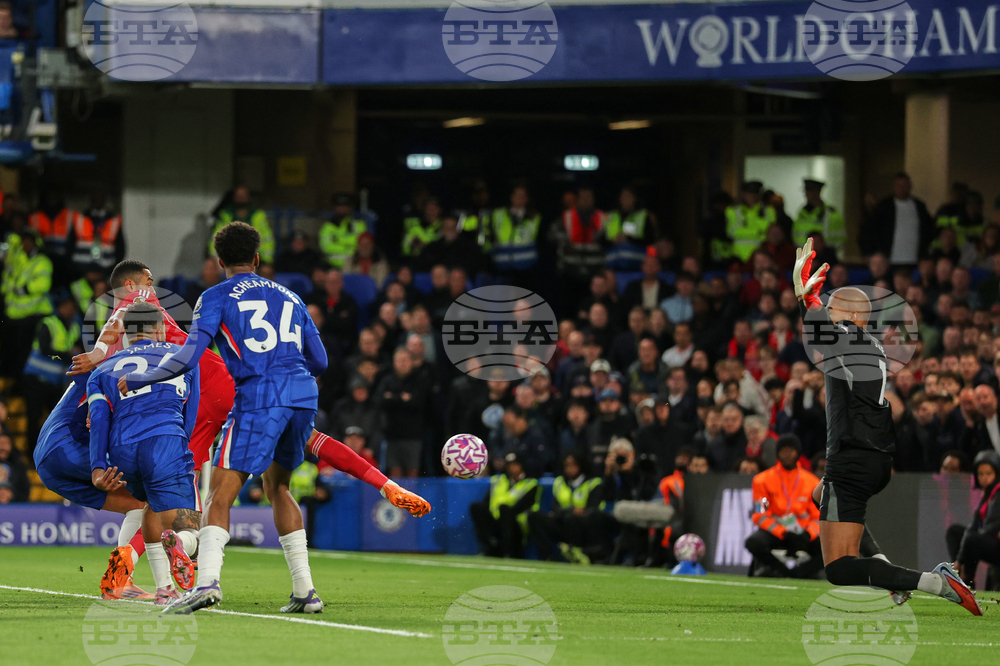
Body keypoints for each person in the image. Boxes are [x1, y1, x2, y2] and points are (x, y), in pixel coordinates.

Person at [118, 222, 329, 615]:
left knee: (219, 494)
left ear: (219, 261)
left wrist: (144, 376)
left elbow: (189, 356)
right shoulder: (292, 296)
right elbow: (320, 360)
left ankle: (207, 584)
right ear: (257, 258)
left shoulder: (215, 296)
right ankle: (305, 591)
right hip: (303, 395)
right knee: (279, 487)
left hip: (259, 396)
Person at [793, 237, 982, 615]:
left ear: (848, 313)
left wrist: (805, 298)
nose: (826, 308)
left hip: (851, 458)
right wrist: (808, 303)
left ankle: (936, 581)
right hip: (871, 456)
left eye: (831, 304)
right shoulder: (868, 345)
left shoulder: (848, 336)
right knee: (819, 494)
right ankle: (884, 569)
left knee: (838, 569)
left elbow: (821, 332)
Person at [88, 303, 202, 604]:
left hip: (122, 450)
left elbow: (99, 420)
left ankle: (165, 589)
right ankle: (179, 543)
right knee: (192, 527)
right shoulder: (184, 358)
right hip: (165, 440)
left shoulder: (101, 371)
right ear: (159, 328)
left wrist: (98, 467)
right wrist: (177, 451)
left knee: (149, 506)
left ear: (125, 333)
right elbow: (189, 416)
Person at [32, 376, 152, 601]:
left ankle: (121, 583)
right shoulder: (119, 370)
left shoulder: (93, 367)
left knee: (137, 505)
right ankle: (161, 572)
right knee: (158, 491)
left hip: (46, 460)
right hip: (71, 445)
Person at [745, 435, 823, 578]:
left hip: (803, 532)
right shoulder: (762, 480)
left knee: (829, 549)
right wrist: (783, 533)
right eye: (783, 451)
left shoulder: (812, 482)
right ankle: (783, 571)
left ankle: (800, 573)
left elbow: (817, 516)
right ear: (777, 453)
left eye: (791, 451)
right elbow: (760, 514)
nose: (787, 455)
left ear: (798, 453)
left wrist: (808, 534)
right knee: (753, 543)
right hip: (776, 531)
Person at [22, 291, 81, 451]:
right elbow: (45, 349)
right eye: (66, 306)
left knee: (56, 418)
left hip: (54, 381)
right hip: (36, 378)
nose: (69, 309)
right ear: (59, 307)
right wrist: (67, 355)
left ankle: (51, 452)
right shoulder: (49, 323)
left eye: (72, 307)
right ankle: (31, 453)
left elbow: (78, 349)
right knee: (34, 417)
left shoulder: (75, 327)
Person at [528, 452, 606, 563]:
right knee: (534, 517)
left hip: (583, 527)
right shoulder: (559, 482)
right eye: (567, 466)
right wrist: (571, 510)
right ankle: (548, 558)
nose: (570, 469)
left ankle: (578, 553)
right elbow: (555, 508)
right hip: (562, 521)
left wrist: (569, 512)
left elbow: (592, 510)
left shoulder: (593, 483)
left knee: (573, 519)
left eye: (573, 465)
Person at [2, 228, 53, 381]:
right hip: (13, 314)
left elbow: (43, 284)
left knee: (24, 353)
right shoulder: (19, 259)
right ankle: (9, 381)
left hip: (32, 315)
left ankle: (18, 382)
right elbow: (9, 281)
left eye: (29, 241)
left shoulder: (42, 261)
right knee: (10, 351)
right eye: (23, 241)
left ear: (36, 244)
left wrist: (24, 289)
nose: (25, 244)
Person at [470, 452, 541, 559]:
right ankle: (490, 546)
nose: (512, 468)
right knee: (476, 507)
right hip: (496, 522)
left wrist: (503, 509)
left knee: (505, 510)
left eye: (515, 464)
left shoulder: (530, 483)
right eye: (509, 465)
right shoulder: (499, 480)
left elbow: (520, 507)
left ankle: (509, 552)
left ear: (522, 465)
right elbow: (487, 502)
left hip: (517, 526)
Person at [945, 451, 1000, 585]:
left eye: (988, 473)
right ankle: (957, 574)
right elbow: (973, 525)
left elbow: (991, 528)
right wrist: (959, 559)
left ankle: (966, 581)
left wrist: (961, 558)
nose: (984, 478)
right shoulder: (988, 493)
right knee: (954, 532)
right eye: (980, 474)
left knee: (973, 539)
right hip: (990, 542)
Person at [376, 347, 429, 478]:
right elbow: (380, 401)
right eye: (399, 360)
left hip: (413, 436)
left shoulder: (419, 380)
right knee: (395, 473)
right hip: (392, 435)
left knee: (412, 472)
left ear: (411, 362)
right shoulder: (387, 380)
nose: (402, 364)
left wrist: (392, 397)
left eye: (405, 360)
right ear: (394, 362)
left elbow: (418, 403)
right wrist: (403, 398)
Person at [860, 172, 934, 265]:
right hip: (889, 260)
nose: (902, 189)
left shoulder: (919, 207)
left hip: (915, 260)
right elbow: (869, 230)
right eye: (899, 185)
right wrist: (868, 252)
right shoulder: (884, 206)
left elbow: (929, 229)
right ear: (894, 187)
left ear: (910, 186)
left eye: (905, 185)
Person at [209, 185, 275, 263]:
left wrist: (265, 261)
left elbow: (266, 240)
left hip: (253, 258)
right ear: (234, 197)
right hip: (229, 258)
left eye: (243, 195)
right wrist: (214, 257)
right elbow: (216, 238)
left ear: (249, 197)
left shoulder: (258, 215)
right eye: (239, 196)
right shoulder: (225, 215)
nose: (241, 198)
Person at [491, 184, 541, 283]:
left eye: (523, 196)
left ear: (527, 199)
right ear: (511, 197)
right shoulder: (498, 214)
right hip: (502, 266)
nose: (519, 198)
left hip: (526, 267)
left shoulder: (534, 216)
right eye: (517, 195)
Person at [69, 189, 126, 274]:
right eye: (95, 198)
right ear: (91, 199)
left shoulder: (113, 220)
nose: (97, 200)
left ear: (104, 199)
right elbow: (70, 245)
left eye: (100, 197)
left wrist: (111, 270)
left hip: (106, 270)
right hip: (81, 269)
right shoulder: (80, 218)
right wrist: (76, 269)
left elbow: (120, 248)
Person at [604, 186, 656, 270]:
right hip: (613, 261)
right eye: (623, 196)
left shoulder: (643, 216)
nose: (625, 199)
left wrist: (628, 238)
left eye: (628, 196)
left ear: (634, 198)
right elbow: (603, 240)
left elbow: (650, 240)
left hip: (637, 261)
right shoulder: (611, 216)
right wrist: (613, 241)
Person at [793, 179, 845, 257]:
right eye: (806, 191)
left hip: (825, 256)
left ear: (817, 192)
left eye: (809, 191)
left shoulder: (830, 214)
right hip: (803, 257)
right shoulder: (801, 213)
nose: (806, 194)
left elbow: (839, 239)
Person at [726, 181, 775, 263]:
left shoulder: (768, 211)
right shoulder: (733, 211)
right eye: (749, 194)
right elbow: (732, 231)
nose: (752, 197)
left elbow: (771, 232)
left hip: (761, 254)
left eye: (755, 193)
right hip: (739, 256)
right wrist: (757, 232)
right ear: (743, 194)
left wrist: (745, 231)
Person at [319, 193, 369, 269]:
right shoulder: (327, 227)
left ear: (351, 208)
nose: (342, 208)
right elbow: (326, 247)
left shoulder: (359, 225)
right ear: (334, 208)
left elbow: (363, 245)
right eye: (339, 206)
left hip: (354, 266)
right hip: (333, 266)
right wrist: (350, 247)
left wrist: (338, 241)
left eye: (345, 206)